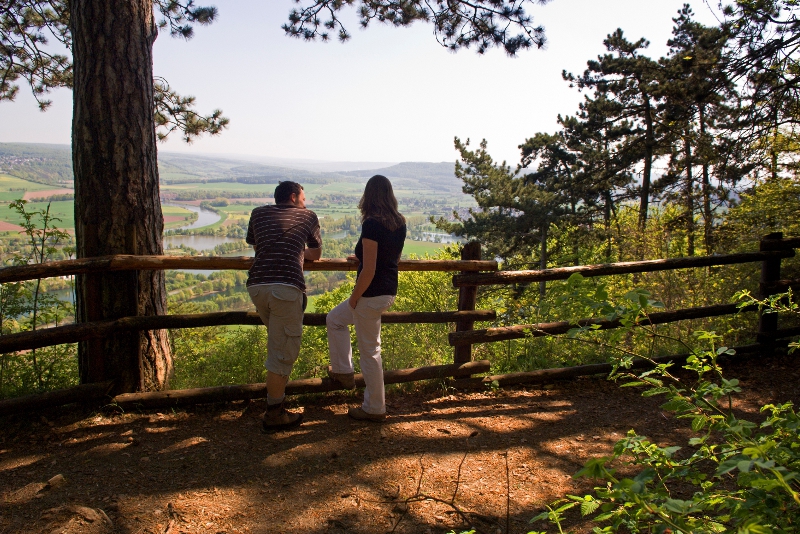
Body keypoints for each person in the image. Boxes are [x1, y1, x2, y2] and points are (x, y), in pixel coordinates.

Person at [326, 175, 406, 422]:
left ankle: (374, 408)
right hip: (387, 291)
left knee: (370, 351)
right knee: (335, 319)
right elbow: (388, 258)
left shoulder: (372, 224)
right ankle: (343, 371)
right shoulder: (399, 222)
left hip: (369, 294)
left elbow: (370, 270)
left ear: (368, 196)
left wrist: (354, 296)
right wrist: (361, 257)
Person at [246, 181, 321, 432]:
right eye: (303, 197)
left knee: (279, 343)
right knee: (282, 352)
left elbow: (257, 246)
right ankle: (274, 413)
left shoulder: (258, 213)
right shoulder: (308, 216)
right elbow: (317, 252)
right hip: (285, 288)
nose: (305, 202)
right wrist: (299, 251)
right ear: (293, 197)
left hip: (257, 286)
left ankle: (276, 404)